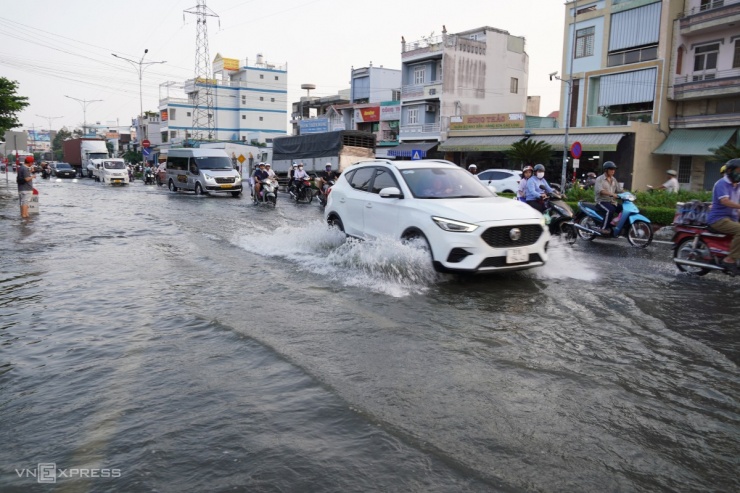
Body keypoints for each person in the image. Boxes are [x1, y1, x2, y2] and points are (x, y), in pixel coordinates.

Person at [706, 159, 740, 275]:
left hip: (731, 218)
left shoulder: (737, 185)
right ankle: (729, 260)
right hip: (718, 219)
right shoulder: (722, 183)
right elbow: (725, 201)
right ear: (730, 171)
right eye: (738, 171)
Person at [594, 161, 624, 232]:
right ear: (606, 170)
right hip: (601, 201)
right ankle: (603, 228)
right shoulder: (600, 179)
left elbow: (619, 190)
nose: (613, 171)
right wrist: (612, 194)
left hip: (611, 202)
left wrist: (628, 194)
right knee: (610, 210)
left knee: (623, 209)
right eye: (611, 169)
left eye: (614, 169)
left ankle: (614, 223)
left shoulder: (613, 179)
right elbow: (601, 191)